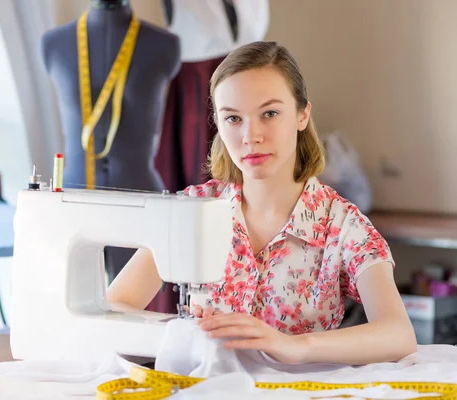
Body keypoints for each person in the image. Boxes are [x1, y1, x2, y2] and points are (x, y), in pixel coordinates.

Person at [106, 41, 417, 365]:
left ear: (301, 114)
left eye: (269, 113)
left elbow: (398, 334)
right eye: (233, 118)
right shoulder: (191, 212)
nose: (251, 135)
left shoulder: (343, 227)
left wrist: (294, 346)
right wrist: (182, 334)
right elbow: (114, 308)